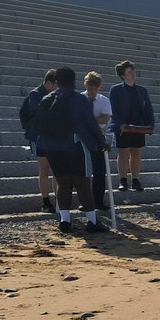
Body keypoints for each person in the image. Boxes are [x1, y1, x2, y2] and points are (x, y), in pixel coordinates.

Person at [33, 66, 109, 234]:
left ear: (57, 82)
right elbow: (90, 123)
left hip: (51, 147)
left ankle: (65, 220)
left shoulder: (47, 99)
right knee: (82, 183)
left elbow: (37, 124)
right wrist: (100, 141)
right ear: (74, 82)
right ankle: (91, 221)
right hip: (74, 145)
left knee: (63, 182)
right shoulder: (78, 99)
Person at [109, 59, 155, 192]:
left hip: (138, 125)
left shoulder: (142, 90)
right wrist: (120, 124)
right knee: (123, 152)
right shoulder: (115, 90)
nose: (133, 74)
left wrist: (150, 124)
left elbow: (148, 109)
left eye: (133, 71)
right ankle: (122, 180)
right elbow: (113, 109)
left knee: (136, 152)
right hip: (123, 126)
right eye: (129, 72)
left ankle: (135, 179)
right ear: (123, 75)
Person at [19, 68, 57, 212]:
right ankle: (46, 201)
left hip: (52, 136)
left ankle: (59, 199)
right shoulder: (35, 94)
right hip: (38, 136)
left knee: (55, 169)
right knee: (44, 169)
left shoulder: (54, 94)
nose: (57, 88)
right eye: (55, 84)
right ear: (48, 82)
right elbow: (42, 113)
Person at [82, 71, 113, 210]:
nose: (92, 92)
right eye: (90, 89)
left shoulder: (104, 100)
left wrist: (89, 120)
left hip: (99, 137)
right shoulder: (80, 99)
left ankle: (98, 200)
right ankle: (85, 200)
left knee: (99, 172)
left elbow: (105, 119)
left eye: (95, 89)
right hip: (83, 138)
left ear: (99, 88)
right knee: (84, 171)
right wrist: (95, 119)